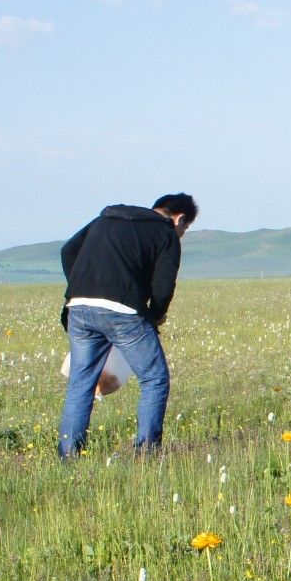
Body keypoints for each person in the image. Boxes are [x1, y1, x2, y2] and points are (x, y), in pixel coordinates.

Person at [56, 193, 196, 457]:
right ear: (179, 219)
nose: (182, 233)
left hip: (78, 306)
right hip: (122, 311)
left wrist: (81, 285)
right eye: (185, 228)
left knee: (80, 383)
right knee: (154, 378)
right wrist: (155, 315)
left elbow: (68, 251)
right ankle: (146, 453)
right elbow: (164, 287)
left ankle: (68, 455)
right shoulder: (165, 234)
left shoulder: (106, 220)